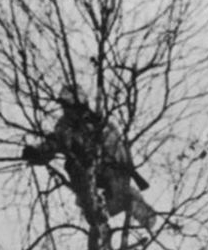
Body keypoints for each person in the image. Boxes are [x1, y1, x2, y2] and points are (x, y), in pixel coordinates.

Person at [22, 85, 156, 231]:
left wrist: (96, 157)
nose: (65, 110)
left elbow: (116, 151)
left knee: (121, 198)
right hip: (91, 176)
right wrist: (36, 153)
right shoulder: (65, 126)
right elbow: (55, 142)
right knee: (90, 211)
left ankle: (139, 213)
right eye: (64, 106)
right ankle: (100, 220)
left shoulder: (98, 124)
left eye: (68, 105)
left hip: (111, 172)